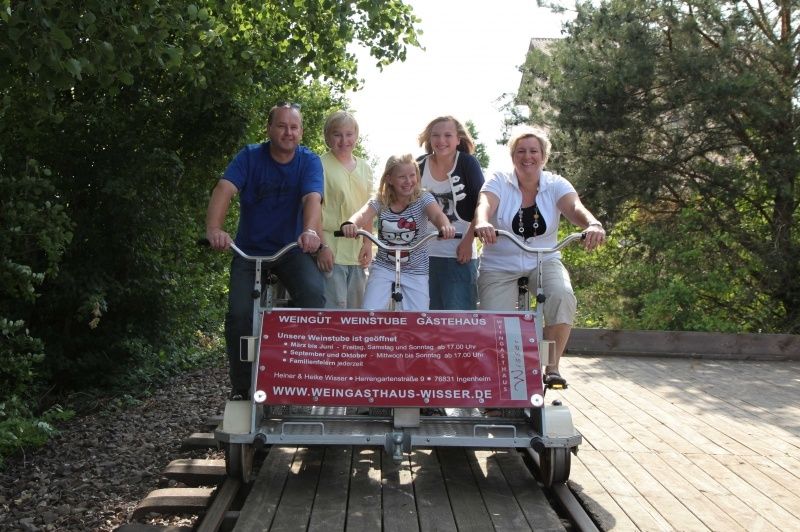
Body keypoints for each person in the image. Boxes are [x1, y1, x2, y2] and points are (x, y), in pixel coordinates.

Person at [205, 102, 326, 399]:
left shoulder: (309, 161)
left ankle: (299, 368)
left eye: (294, 127)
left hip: (290, 249)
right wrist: (214, 230)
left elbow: (312, 199)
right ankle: (242, 387)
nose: (288, 132)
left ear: (301, 131)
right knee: (239, 315)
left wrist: (310, 231)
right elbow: (224, 189)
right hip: (249, 250)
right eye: (282, 126)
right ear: (269, 129)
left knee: (314, 296)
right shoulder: (250, 157)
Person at [473, 126, 606, 387]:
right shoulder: (499, 180)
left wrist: (593, 224)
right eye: (521, 151)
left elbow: (574, 207)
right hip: (500, 262)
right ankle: (494, 379)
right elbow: (484, 204)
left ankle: (551, 365)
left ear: (543, 156)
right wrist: (482, 222)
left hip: (543, 259)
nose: (527, 157)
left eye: (534, 151)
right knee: (493, 318)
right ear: (513, 156)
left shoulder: (556, 184)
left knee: (562, 296)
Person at [341, 154, 456, 311]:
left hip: (416, 269)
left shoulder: (423, 198)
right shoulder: (381, 200)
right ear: (389, 179)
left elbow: (436, 214)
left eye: (412, 175)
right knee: (370, 310)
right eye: (402, 177)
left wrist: (445, 226)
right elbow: (363, 214)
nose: (408, 181)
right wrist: (351, 223)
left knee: (418, 317)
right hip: (384, 266)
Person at [417, 116, 485, 310]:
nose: (441, 141)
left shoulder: (468, 164)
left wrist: (468, 240)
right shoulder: (418, 165)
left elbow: (482, 204)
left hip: (458, 254)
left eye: (448, 135)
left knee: (458, 320)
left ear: (458, 139)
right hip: (422, 256)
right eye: (435, 136)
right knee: (424, 318)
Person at [318, 111, 374, 309]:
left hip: (357, 252)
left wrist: (368, 243)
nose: (344, 140)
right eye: (337, 134)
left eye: (349, 134)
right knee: (335, 312)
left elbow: (369, 208)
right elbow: (313, 209)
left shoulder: (365, 168)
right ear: (327, 137)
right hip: (331, 251)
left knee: (356, 313)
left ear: (356, 136)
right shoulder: (319, 165)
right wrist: (322, 247)